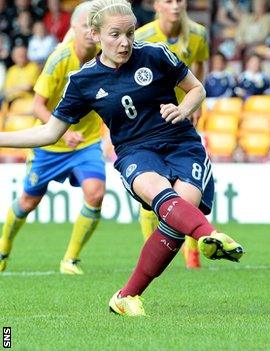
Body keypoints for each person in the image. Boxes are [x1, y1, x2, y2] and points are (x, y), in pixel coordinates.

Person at [0, 0, 243, 316]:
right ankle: (209, 235)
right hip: (135, 151)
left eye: (129, 33)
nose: (125, 42)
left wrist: (184, 109)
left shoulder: (155, 55)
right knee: (165, 198)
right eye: (115, 34)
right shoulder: (83, 80)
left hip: (181, 143)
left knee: (177, 217)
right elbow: (48, 133)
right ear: (96, 35)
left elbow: (196, 88)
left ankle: (126, 297)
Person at [0, 2, 106, 276]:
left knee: (95, 193)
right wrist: (63, 129)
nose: (90, 32)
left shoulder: (105, 58)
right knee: (28, 202)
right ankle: (4, 245)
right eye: (85, 26)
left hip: (86, 140)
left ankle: (70, 259)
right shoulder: (59, 59)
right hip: (50, 143)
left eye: (94, 27)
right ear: (73, 28)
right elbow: (37, 106)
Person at [135, 0, 210, 269]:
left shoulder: (198, 34)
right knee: (152, 190)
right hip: (150, 122)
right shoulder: (142, 37)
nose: (175, 5)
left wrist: (193, 105)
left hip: (183, 119)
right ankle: (152, 248)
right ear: (157, 5)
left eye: (179, 0)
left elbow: (200, 68)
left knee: (189, 185)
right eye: (168, 1)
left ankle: (192, 254)